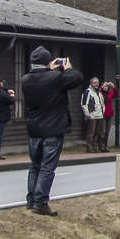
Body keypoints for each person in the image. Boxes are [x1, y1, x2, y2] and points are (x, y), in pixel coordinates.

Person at [21, 47, 85, 216]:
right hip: (52, 128)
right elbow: (77, 78)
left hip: (34, 128)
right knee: (47, 167)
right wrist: (68, 68)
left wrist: (50, 69)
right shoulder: (55, 78)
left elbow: (42, 79)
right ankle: (41, 202)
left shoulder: (25, 80)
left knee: (35, 166)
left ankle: (31, 200)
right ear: (48, 62)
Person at [82, 78, 106, 153]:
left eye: (97, 83)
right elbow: (84, 104)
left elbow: (102, 103)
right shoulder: (87, 92)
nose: (96, 84)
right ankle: (89, 147)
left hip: (99, 115)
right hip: (92, 116)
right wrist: (87, 114)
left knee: (97, 133)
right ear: (91, 83)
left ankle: (94, 147)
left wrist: (103, 111)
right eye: (95, 82)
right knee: (91, 133)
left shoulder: (99, 93)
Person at [101, 80, 118, 151]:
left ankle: (105, 145)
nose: (106, 88)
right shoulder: (100, 94)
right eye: (105, 87)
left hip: (109, 114)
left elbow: (116, 94)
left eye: (107, 87)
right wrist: (102, 86)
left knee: (107, 131)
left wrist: (113, 87)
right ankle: (101, 145)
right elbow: (99, 90)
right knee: (103, 131)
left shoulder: (110, 94)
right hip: (103, 114)